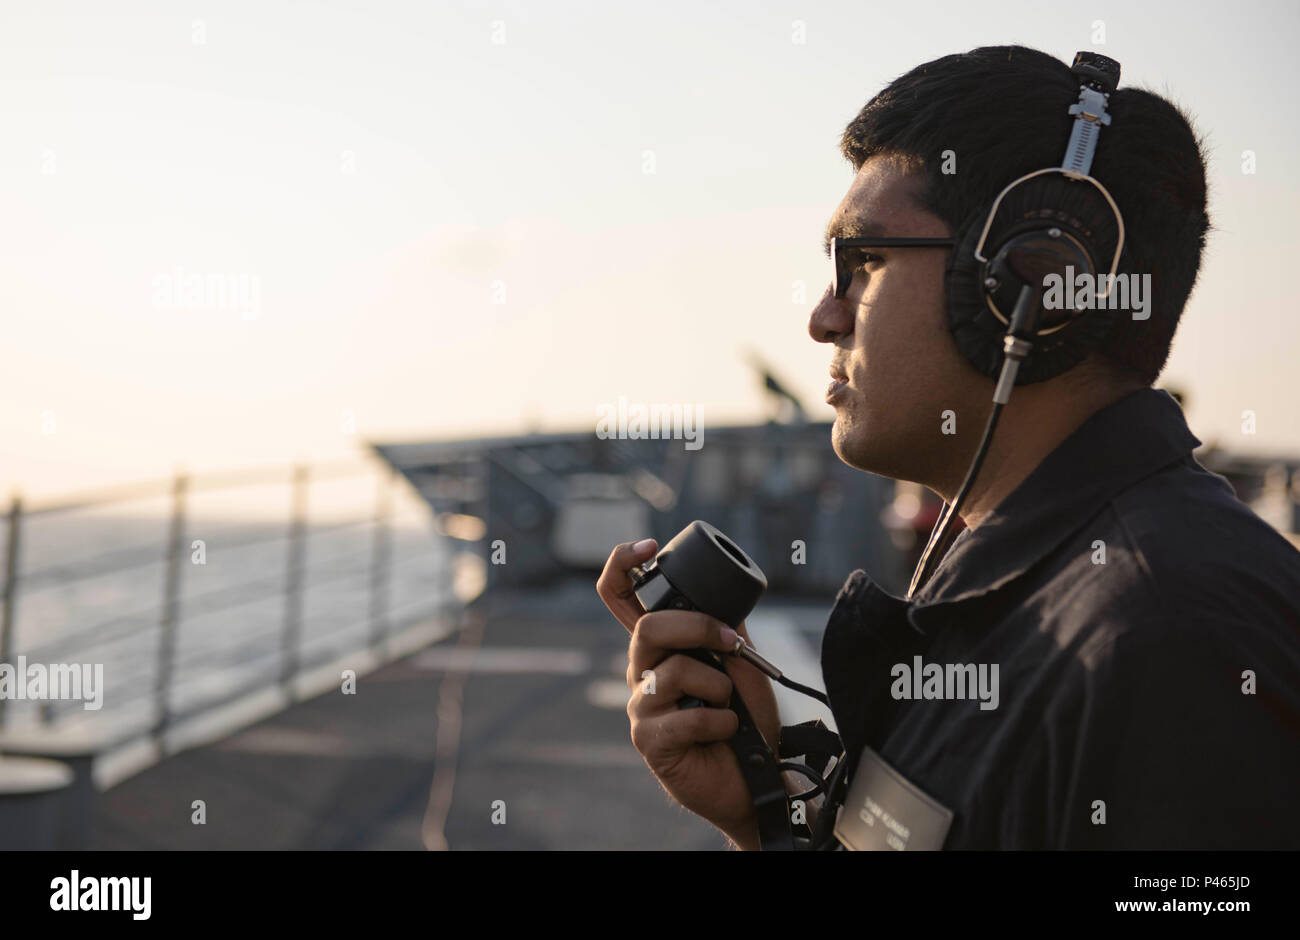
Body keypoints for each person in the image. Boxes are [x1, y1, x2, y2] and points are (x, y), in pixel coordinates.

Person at [597, 45, 1300, 849]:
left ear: (1025, 283)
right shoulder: (1022, 586)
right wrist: (766, 808)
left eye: (861, 260)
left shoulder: (1168, 645)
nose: (825, 316)